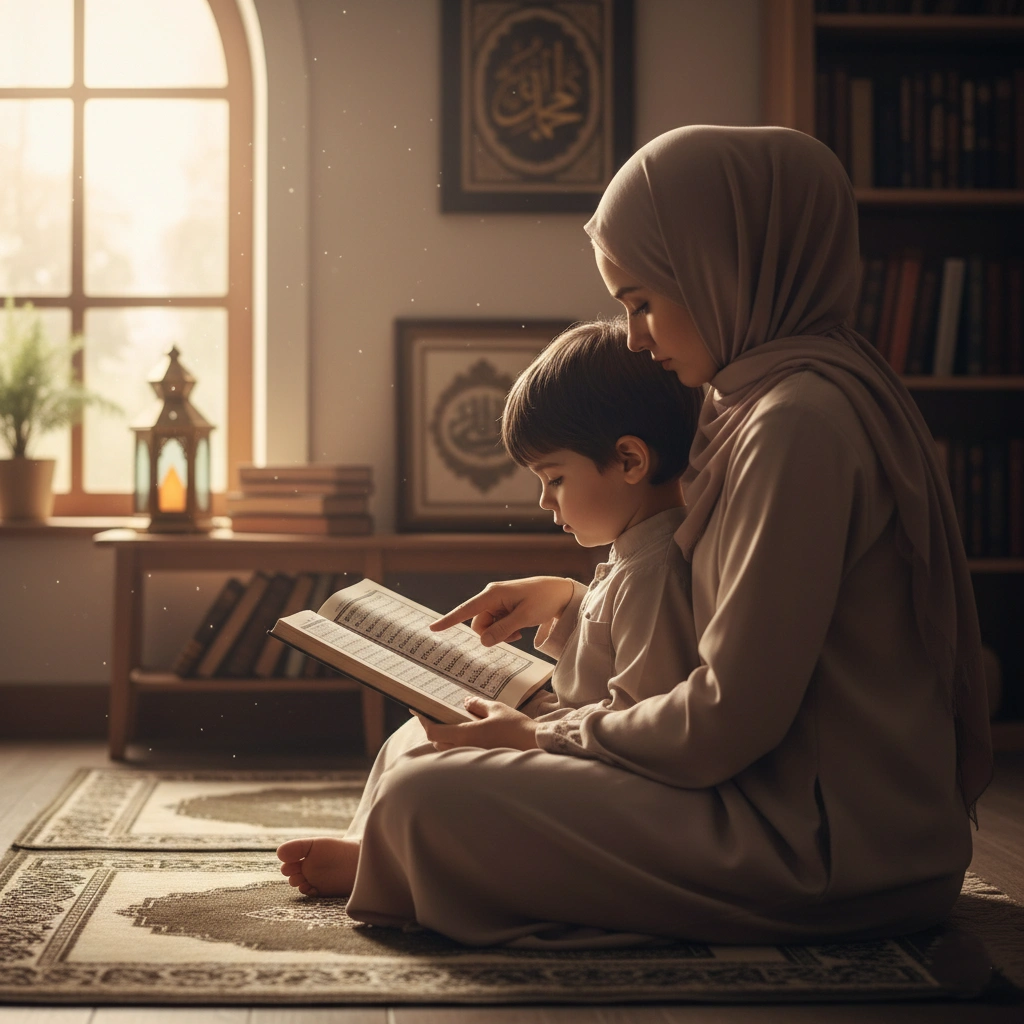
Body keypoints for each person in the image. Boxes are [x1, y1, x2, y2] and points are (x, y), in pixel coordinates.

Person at [279, 125, 993, 948]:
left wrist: (542, 735)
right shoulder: (757, 403)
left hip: (821, 844)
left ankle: (399, 854)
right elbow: (704, 619)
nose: (637, 338)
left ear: (722, 269)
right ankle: (397, 853)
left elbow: (728, 718)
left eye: (643, 302)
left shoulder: (799, 425)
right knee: (427, 748)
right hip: (755, 787)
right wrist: (575, 604)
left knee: (426, 794)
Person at [277, 317, 704, 887]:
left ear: (629, 461)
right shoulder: (635, 553)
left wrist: (526, 734)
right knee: (419, 733)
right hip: (569, 733)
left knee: (431, 780)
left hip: (605, 769)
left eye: (554, 478)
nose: (545, 501)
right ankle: (369, 844)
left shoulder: (656, 571)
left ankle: (384, 862)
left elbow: (636, 726)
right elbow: (616, 648)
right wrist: (566, 600)